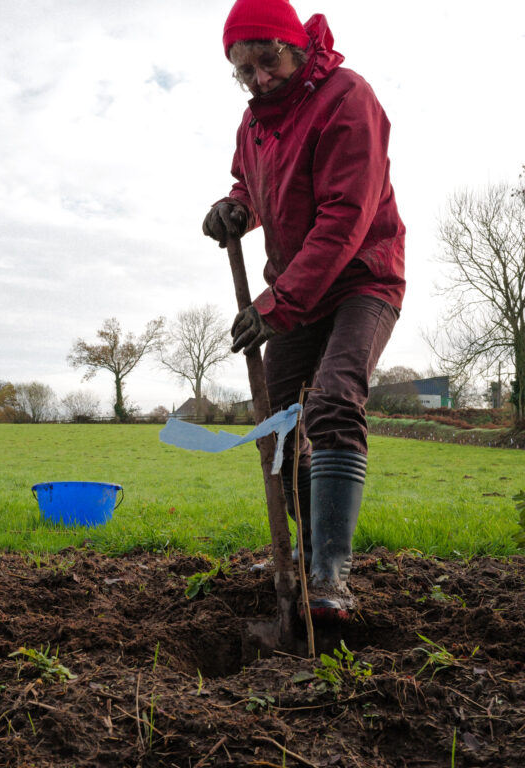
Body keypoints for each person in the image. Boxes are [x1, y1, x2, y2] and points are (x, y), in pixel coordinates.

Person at [203, 0, 406, 619]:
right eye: (245, 70)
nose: (260, 78)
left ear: (295, 47)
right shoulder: (254, 124)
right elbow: (251, 182)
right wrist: (237, 208)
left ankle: (330, 577)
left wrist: (276, 305)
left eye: (268, 61)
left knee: (336, 399)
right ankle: (302, 551)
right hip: (294, 289)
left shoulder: (348, 98)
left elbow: (345, 216)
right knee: (280, 421)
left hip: (361, 280)